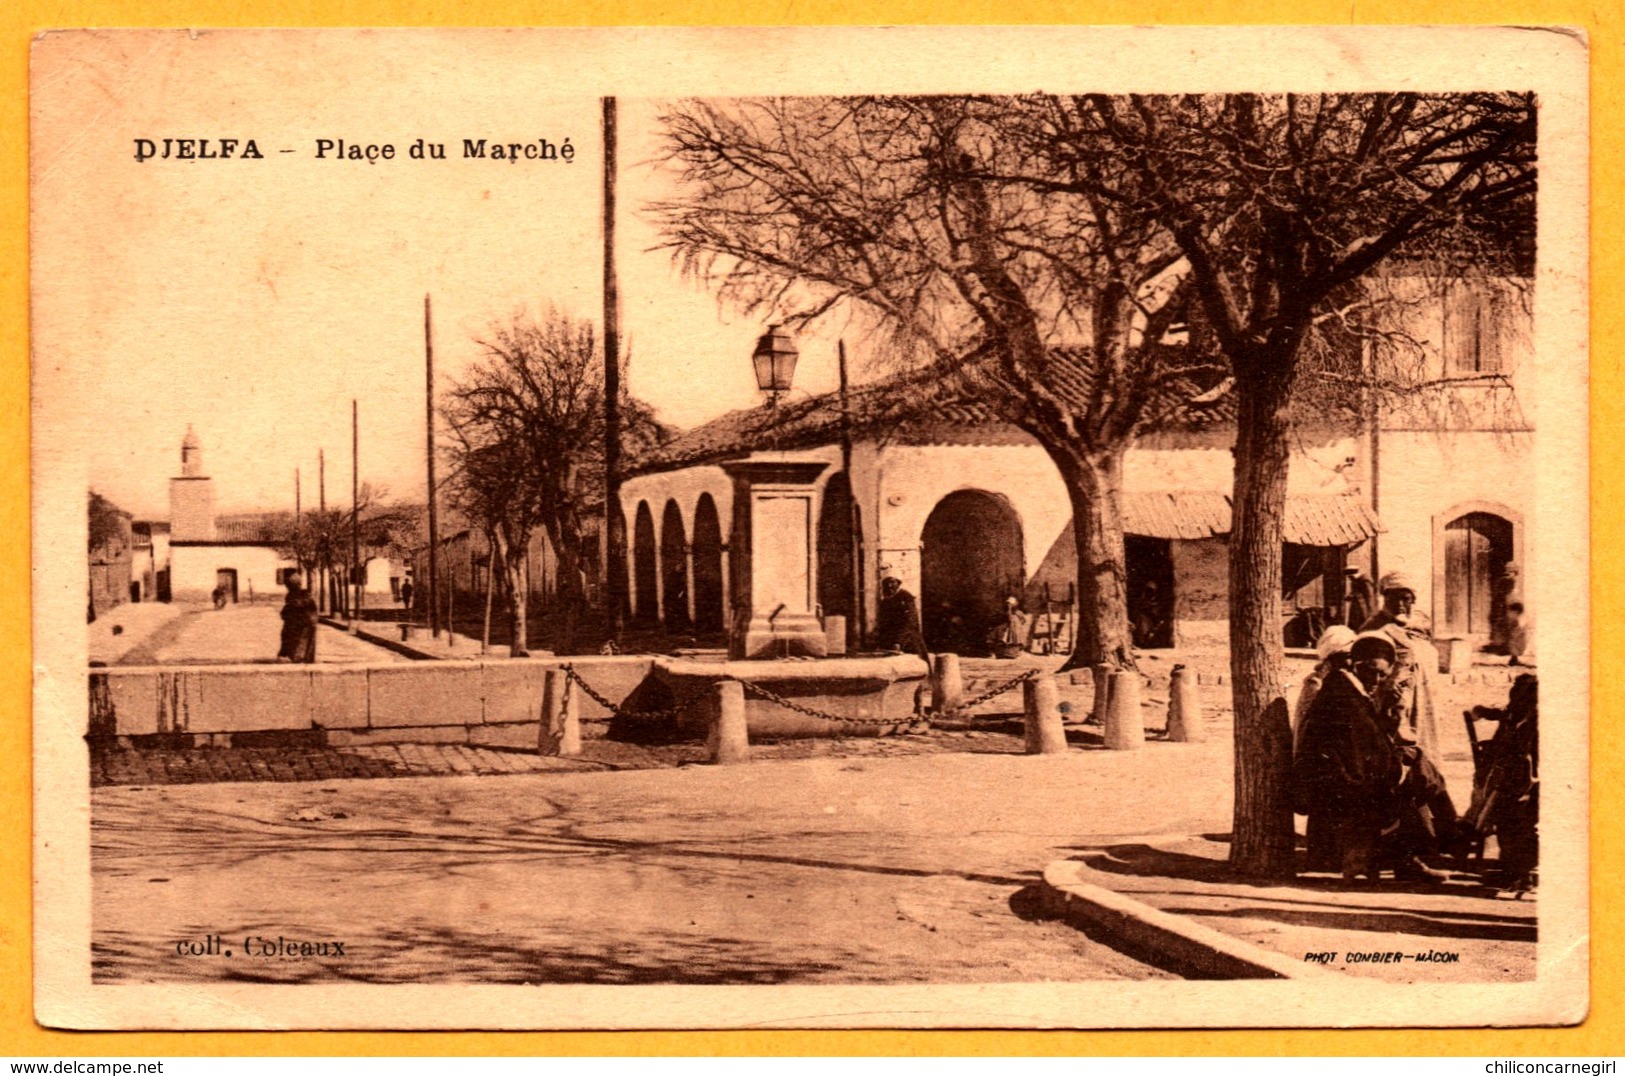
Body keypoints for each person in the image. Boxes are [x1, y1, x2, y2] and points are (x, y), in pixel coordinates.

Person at [1293, 632, 1406, 880]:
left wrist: (1389, 709)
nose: (1376, 679)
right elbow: (1356, 745)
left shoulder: (1353, 690)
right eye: (1370, 670)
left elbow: (1369, 738)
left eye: (1382, 675)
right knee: (1414, 783)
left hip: (1345, 774)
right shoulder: (1340, 692)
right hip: (1337, 778)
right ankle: (1403, 859)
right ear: (1353, 664)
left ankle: (1407, 857)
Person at [1359, 570, 1442, 762]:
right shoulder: (1374, 627)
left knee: (1425, 748)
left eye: (1405, 599)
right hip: (1395, 704)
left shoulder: (1419, 626)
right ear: (1383, 598)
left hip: (1424, 699)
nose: (1399, 605)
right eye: (1392, 598)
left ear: (1413, 600)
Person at [875, 576, 929, 660]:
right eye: (886, 583)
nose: (889, 585)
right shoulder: (885, 602)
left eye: (893, 582)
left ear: (898, 583)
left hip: (907, 640)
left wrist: (899, 642)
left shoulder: (906, 598)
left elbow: (910, 622)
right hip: (890, 642)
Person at [277, 575, 319, 664]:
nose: (288, 587)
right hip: (297, 620)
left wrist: (292, 605)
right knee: (287, 634)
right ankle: (291, 655)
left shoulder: (305, 593)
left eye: (290, 585)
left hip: (306, 620)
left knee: (303, 638)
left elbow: (300, 604)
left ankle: (301, 657)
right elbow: (289, 606)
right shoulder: (290, 594)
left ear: (296, 584)